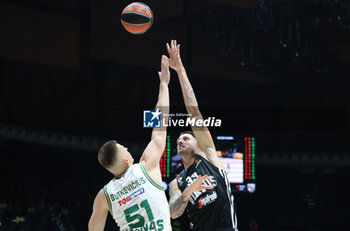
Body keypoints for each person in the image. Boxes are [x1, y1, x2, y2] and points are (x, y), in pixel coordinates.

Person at [88, 55, 172, 231]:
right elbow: (158, 130)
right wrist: (163, 85)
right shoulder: (146, 167)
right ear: (126, 160)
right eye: (123, 149)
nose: (127, 148)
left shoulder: (104, 196)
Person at [166, 40, 238, 231]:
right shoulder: (176, 182)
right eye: (179, 139)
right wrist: (189, 190)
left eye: (186, 138)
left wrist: (180, 71)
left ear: (198, 143)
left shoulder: (208, 155)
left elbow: (194, 111)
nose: (180, 140)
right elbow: (173, 212)